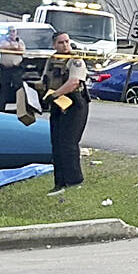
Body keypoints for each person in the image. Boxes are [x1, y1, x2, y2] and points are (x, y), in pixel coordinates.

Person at [40, 31, 90, 196]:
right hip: (57, 104)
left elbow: (74, 83)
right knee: (57, 144)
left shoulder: (75, 60)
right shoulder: (52, 60)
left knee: (69, 143)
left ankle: (74, 181)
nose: (65, 45)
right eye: (61, 42)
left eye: (67, 41)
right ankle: (59, 182)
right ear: (54, 45)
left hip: (74, 103)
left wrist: (55, 94)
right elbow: (44, 81)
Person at [0, 25, 26, 112]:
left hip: (16, 69)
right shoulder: (3, 41)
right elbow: (1, 47)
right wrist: (14, 48)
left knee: (19, 88)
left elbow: (22, 50)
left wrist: (12, 47)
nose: (12, 33)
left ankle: (20, 108)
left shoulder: (20, 41)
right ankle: (0, 109)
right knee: (3, 88)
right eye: (10, 31)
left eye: (13, 31)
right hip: (5, 69)